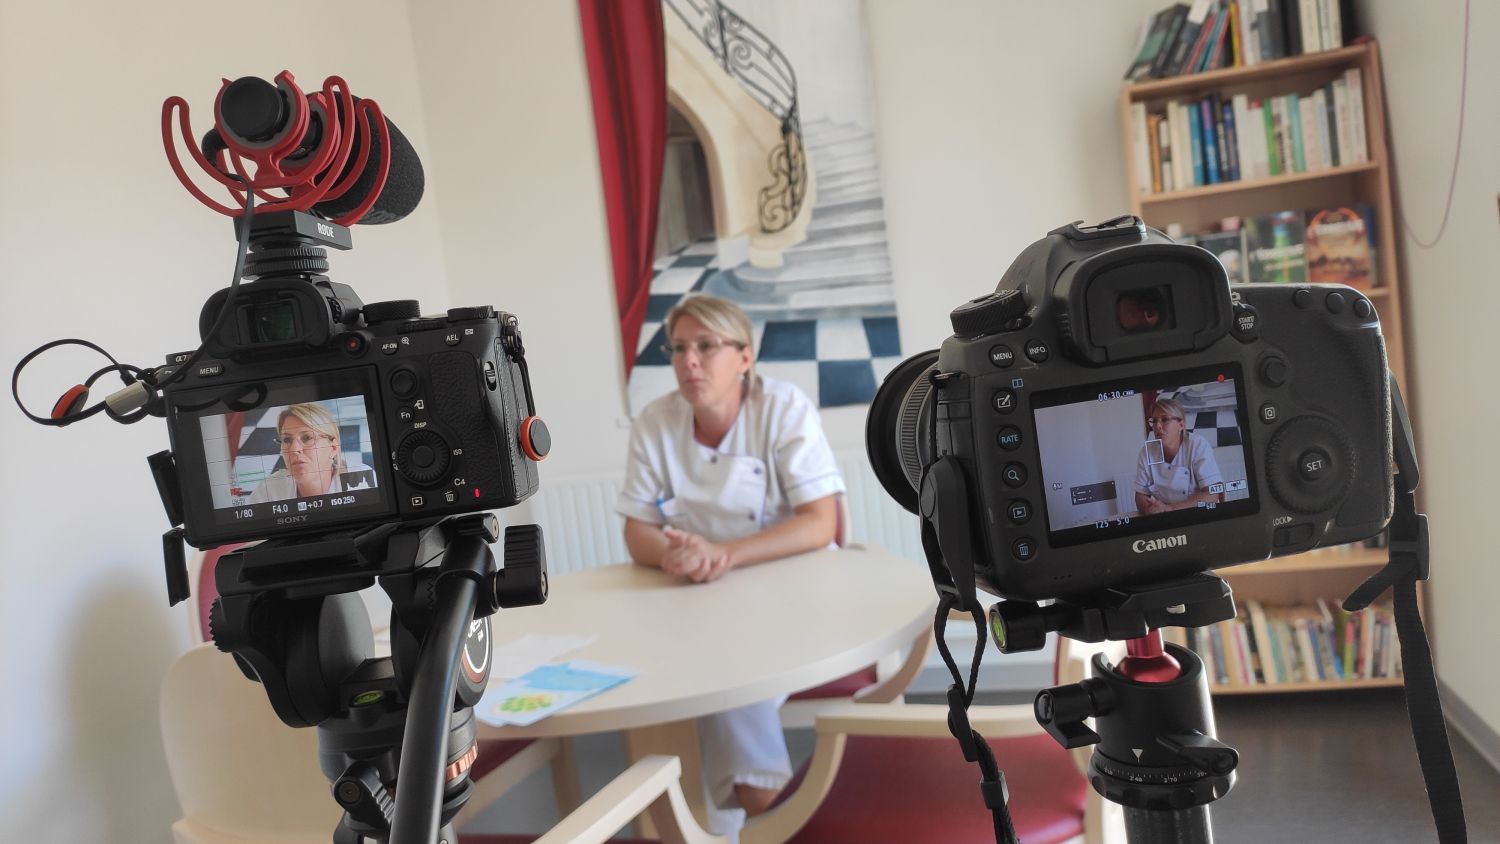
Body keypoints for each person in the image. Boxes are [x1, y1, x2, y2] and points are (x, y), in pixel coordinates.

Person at [615, 294, 845, 819]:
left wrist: (723, 554)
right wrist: (680, 558)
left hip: (798, 587)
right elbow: (637, 532)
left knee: (727, 673)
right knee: (694, 659)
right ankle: (753, 813)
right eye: (677, 349)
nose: (688, 361)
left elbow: (819, 523)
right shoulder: (656, 422)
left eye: (706, 346)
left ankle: (761, 812)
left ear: (745, 357)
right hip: (703, 591)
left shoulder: (783, 408)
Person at [247, 403, 372, 504]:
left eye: (307, 438)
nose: (294, 449)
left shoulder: (361, 478)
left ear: (333, 447)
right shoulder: (268, 492)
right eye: (287, 440)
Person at [1134, 397, 1223, 515]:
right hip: (1164, 518)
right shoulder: (1147, 452)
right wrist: (1149, 509)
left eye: (1164, 419)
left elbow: (1213, 493)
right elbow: (1140, 495)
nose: (1158, 426)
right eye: (1154, 421)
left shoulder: (1197, 445)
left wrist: (1169, 508)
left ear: (1181, 425)